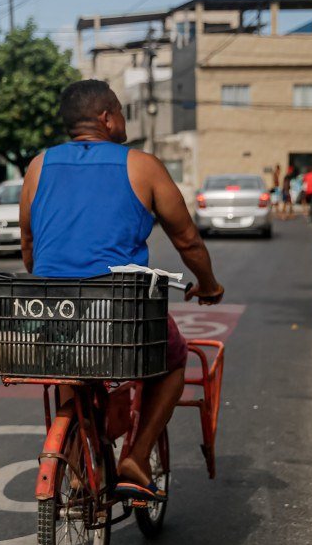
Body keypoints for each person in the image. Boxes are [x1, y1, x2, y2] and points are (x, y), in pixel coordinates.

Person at [19, 79, 224, 500]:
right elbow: (187, 240)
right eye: (122, 112)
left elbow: (29, 245)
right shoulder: (141, 165)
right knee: (174, 359)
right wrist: (208, 284)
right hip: (119, 309)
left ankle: (77, 466)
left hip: (55, 307)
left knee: (69, 363)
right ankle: (137, 456)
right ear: (107, 118)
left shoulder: (39, 165)